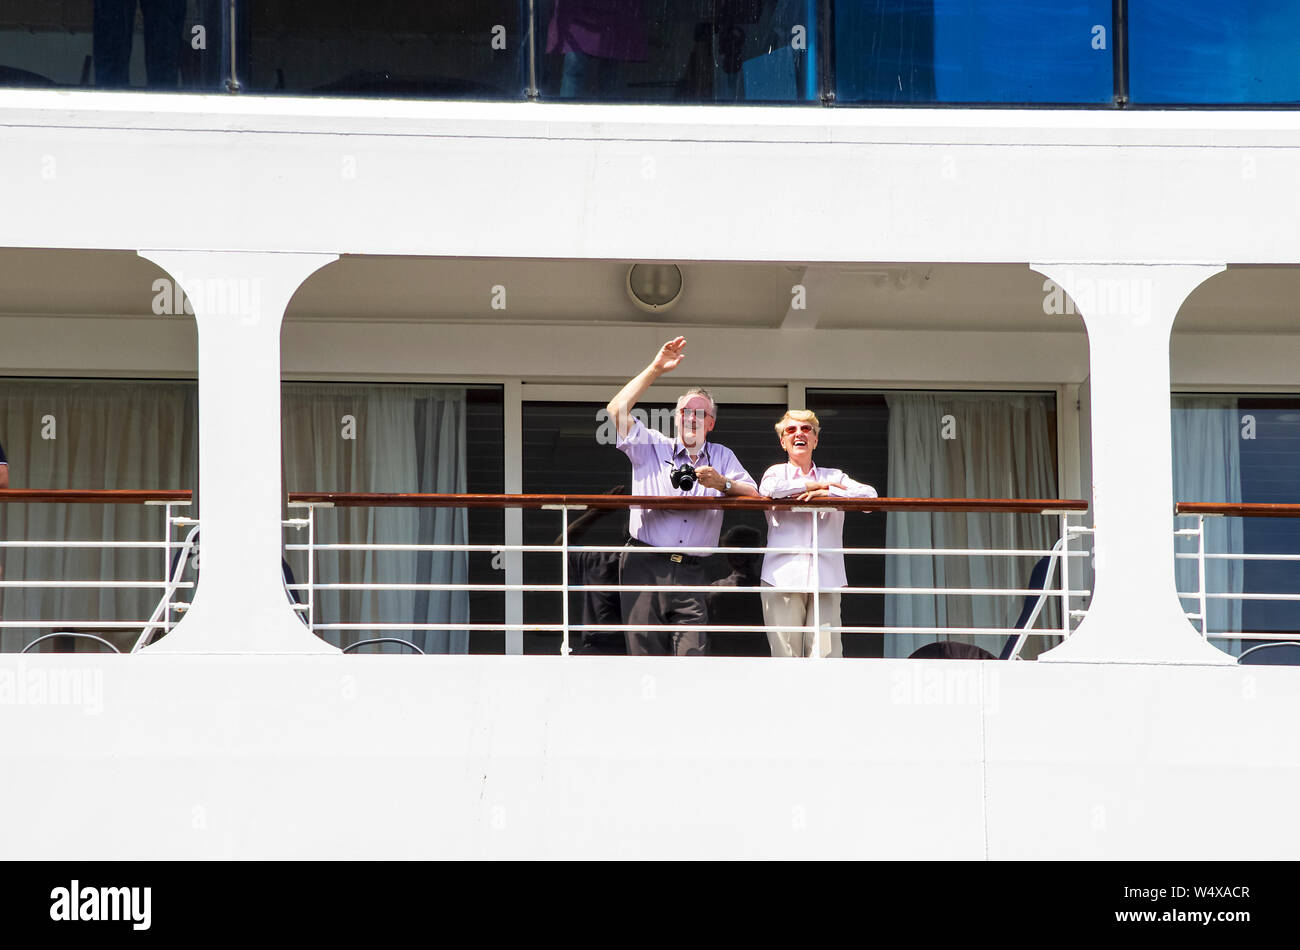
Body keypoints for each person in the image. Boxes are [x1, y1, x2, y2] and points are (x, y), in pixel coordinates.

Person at [607, 336, 758, 655]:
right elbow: (616, 409)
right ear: (676, 418)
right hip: (643, 563)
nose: (691, 417)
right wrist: (656, 368)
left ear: (711, 423)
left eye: (699, 414)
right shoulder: (651, 445)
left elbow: (756, 497)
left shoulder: (722, 456)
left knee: (692, 656)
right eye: (684, 412)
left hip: (693, 569)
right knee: (643, 656)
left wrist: (723, 485)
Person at [760, 409, 878, 658]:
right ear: (783, 441)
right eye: (791, 430)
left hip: (826, 578)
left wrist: (831, 494)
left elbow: (870, 497)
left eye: (806, 429)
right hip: (782, 577)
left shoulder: (834, 477)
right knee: (785, 657)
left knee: (826, 657)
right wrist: (811, 485)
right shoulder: (775, 472)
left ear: (815, 440)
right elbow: (770, 490)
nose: (799, 434)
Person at [552, 485, 628, 655]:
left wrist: (597, 511)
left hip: (623, 645)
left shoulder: (597, 560)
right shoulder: (598, 559)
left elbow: (561, 542)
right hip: (623, 645)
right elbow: (561, 545)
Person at [707, 524, 768, 657]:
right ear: (757, 555)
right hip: (761, 662)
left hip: (721, 662)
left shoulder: (715, 589)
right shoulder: (768, 592)